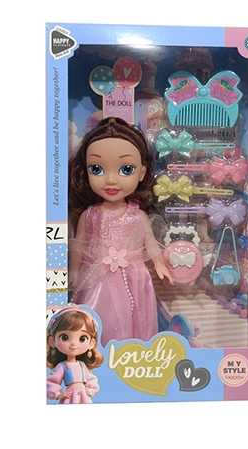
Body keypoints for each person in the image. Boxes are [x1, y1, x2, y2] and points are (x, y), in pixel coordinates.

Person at [68, 117, 172, 345]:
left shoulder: (137, 214)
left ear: (142, 172)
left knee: (135, 319)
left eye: (126, 169)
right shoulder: (90, 214)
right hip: (98, 278)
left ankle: (132, 354)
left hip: (134, 276)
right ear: (85, 172)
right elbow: (80, 244)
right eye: (97, 169)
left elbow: (149, 241)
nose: (111, 180)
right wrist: (74, 270)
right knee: (99, 316)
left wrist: (159, 264)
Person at [47, 307, 104, 404]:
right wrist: (57, 394)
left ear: (91, 343)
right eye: (65, 337)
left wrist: (92, 390)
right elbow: (51, 381)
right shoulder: (62, 366)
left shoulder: (82, 365)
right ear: (52, 341)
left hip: (84, 396)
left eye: (82, 338)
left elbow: (91, 378)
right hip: (70, 397)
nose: (73, 344)